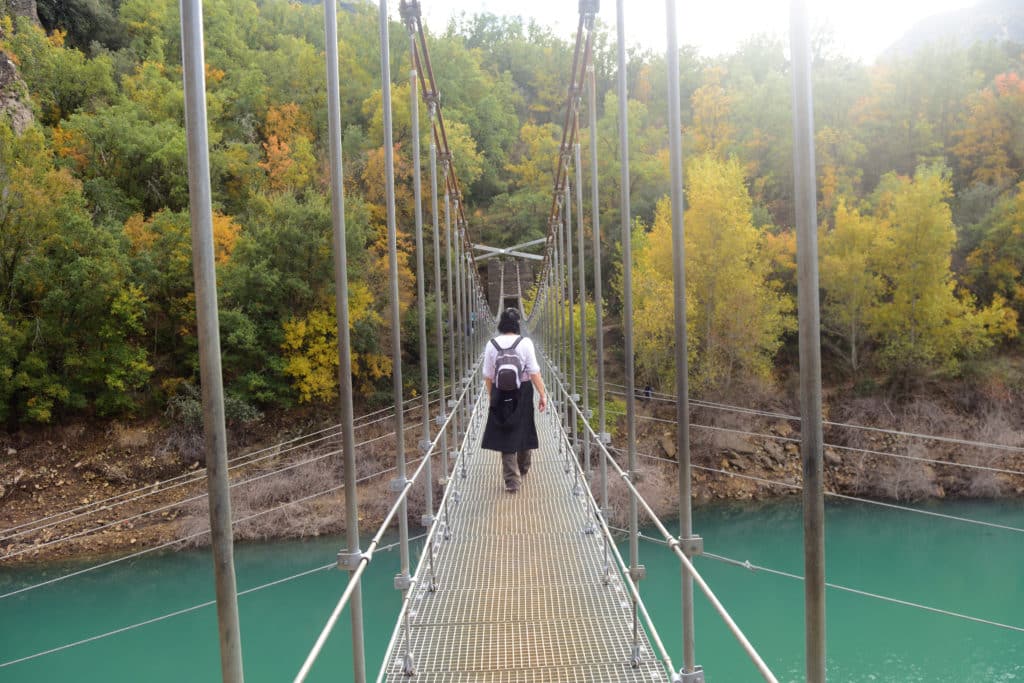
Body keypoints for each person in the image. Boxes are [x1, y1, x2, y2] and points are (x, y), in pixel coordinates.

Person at [480, 308, 547, 493]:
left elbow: (487, 375)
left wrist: (491, 394)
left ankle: (511, 482)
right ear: (518, 324)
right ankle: (524, 467)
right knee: (524, 426)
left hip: (500, 391)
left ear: (501, 323)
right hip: (523, 390)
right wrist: (542, 394)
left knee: (505, 432)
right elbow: (534, 372)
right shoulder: (525, 343)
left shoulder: (491, 344)